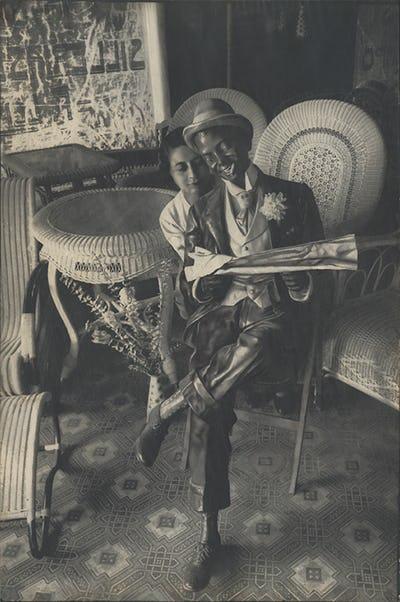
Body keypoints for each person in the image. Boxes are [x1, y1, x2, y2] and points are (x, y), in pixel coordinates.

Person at [136, 99, 324, 591]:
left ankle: (171, 406)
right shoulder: (200, 208)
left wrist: (300, 279)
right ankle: (208, 536)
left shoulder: (294, 197)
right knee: (210, 402)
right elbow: (187, 288)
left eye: (227, 147)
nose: (222, 160)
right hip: (223, 325)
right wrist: (203, 279)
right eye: (209, 155)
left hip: (276, 330)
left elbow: (319, 282)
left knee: (264, 333)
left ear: (244, 141)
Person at [159, 127, 214, 260]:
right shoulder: (171, 217)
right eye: (182, 169)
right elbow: (195, 260)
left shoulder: (229, 190)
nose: (193, 175)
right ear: (170, 173)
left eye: (198, 163)